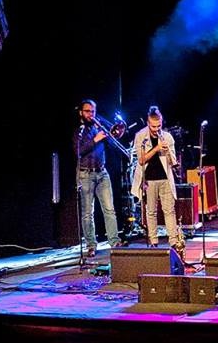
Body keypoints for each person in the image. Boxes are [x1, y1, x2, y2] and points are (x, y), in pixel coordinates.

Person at [131, 106, 185, 259]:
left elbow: (173, 163)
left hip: (165, 179)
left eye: (159, 126)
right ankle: (154, 242)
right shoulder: (140, 136)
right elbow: (141, 160)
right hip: (148, 179)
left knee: (169, 211)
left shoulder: (167, 137)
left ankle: (174, 243)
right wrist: (156, 149)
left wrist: (168, 152)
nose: (156, 129)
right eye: (153, 126)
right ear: (148, 123)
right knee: (151, 211)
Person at [73, 99, 122, 257]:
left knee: (109, 209)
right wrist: (95, 139)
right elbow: (79, 151)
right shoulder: (79, 131)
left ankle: (114, 242)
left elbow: (113, 141)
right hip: (85, 173)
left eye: (93, 111)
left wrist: (115, 133)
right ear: (81, 112)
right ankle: (91, 245)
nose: (91, 114)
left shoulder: (99, 125)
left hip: (102, 172)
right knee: (87, 212)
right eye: (87, 111)